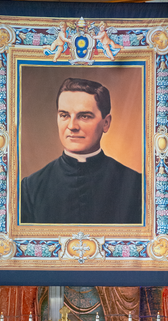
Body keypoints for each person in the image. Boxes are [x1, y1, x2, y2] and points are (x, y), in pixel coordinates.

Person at [21, 77, 142, 224]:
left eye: (84, 116)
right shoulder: (31, 187)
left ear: (106, 123)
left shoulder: (136, 185)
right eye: (64, 115)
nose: (72, 126)